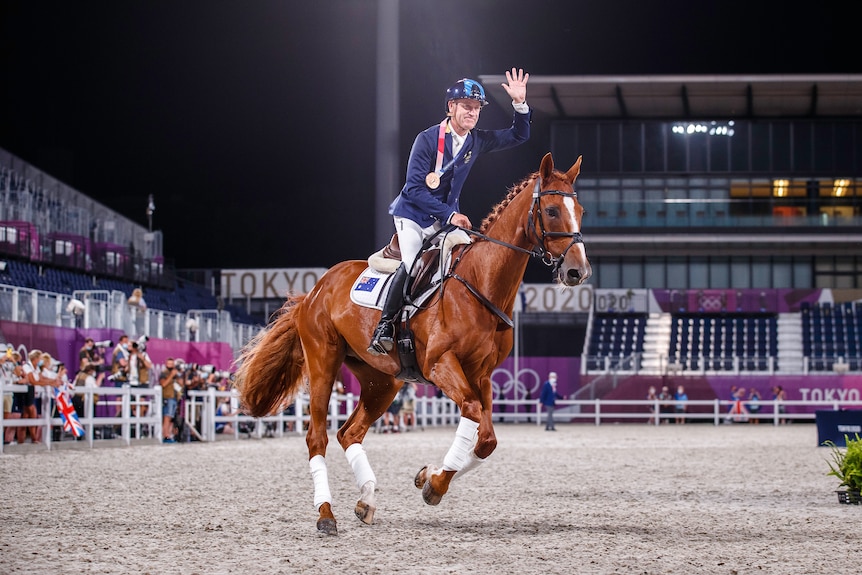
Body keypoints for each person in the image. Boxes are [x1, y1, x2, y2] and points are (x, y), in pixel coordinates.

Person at [368, 69, 532, 355]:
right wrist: (450, 216)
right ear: (451, 107)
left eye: (477, 108)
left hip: (446, 219)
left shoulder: (476, 140)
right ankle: (385, 327)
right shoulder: (427, 139)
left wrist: (519, 104)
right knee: (413, 265)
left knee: (468, 262)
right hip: (413, 216)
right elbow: (415, 189)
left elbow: (519, 135)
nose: (472, 113)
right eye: (467, 106)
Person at [159, 358, 181, 443]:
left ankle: (169, 434)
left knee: (171, 418)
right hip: (167, 397)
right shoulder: (164, 373)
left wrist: (178, 375)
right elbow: (163, 384)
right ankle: (165, 436)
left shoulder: (176, 374)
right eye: (169, 364)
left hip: (174, 397)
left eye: (172, 364)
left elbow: (180, 384)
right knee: (166, 417)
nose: (170, 366)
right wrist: (171, 375)